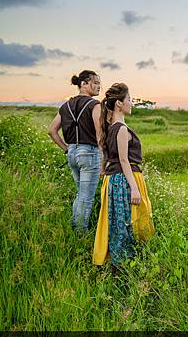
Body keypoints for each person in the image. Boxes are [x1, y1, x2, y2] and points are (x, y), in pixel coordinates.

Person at [93, 83, 154, 267]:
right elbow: (123, 160)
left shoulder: (112, 126)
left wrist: (105, 170)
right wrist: (134, 188)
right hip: (124, 179)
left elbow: (108, 156)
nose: (131, 103)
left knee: (121, 222)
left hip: (116, 178)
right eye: (129, 99)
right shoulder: (120, 128)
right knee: (125, 223)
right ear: (119, 103)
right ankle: (124, 264)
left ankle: (123, 263)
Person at [48, 70, 102, 233]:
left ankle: (75, 228)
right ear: (83, 84)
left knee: (81, 194)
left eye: (100, 84)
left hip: (72, 152)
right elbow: (100, 135)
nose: (99, 87)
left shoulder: (65, 106)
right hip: (89, 153)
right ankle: (80, 233)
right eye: (96, 82)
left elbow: (52, 130)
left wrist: (67, 148)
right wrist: (104, 159)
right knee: (86, 196)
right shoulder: (95, 105)